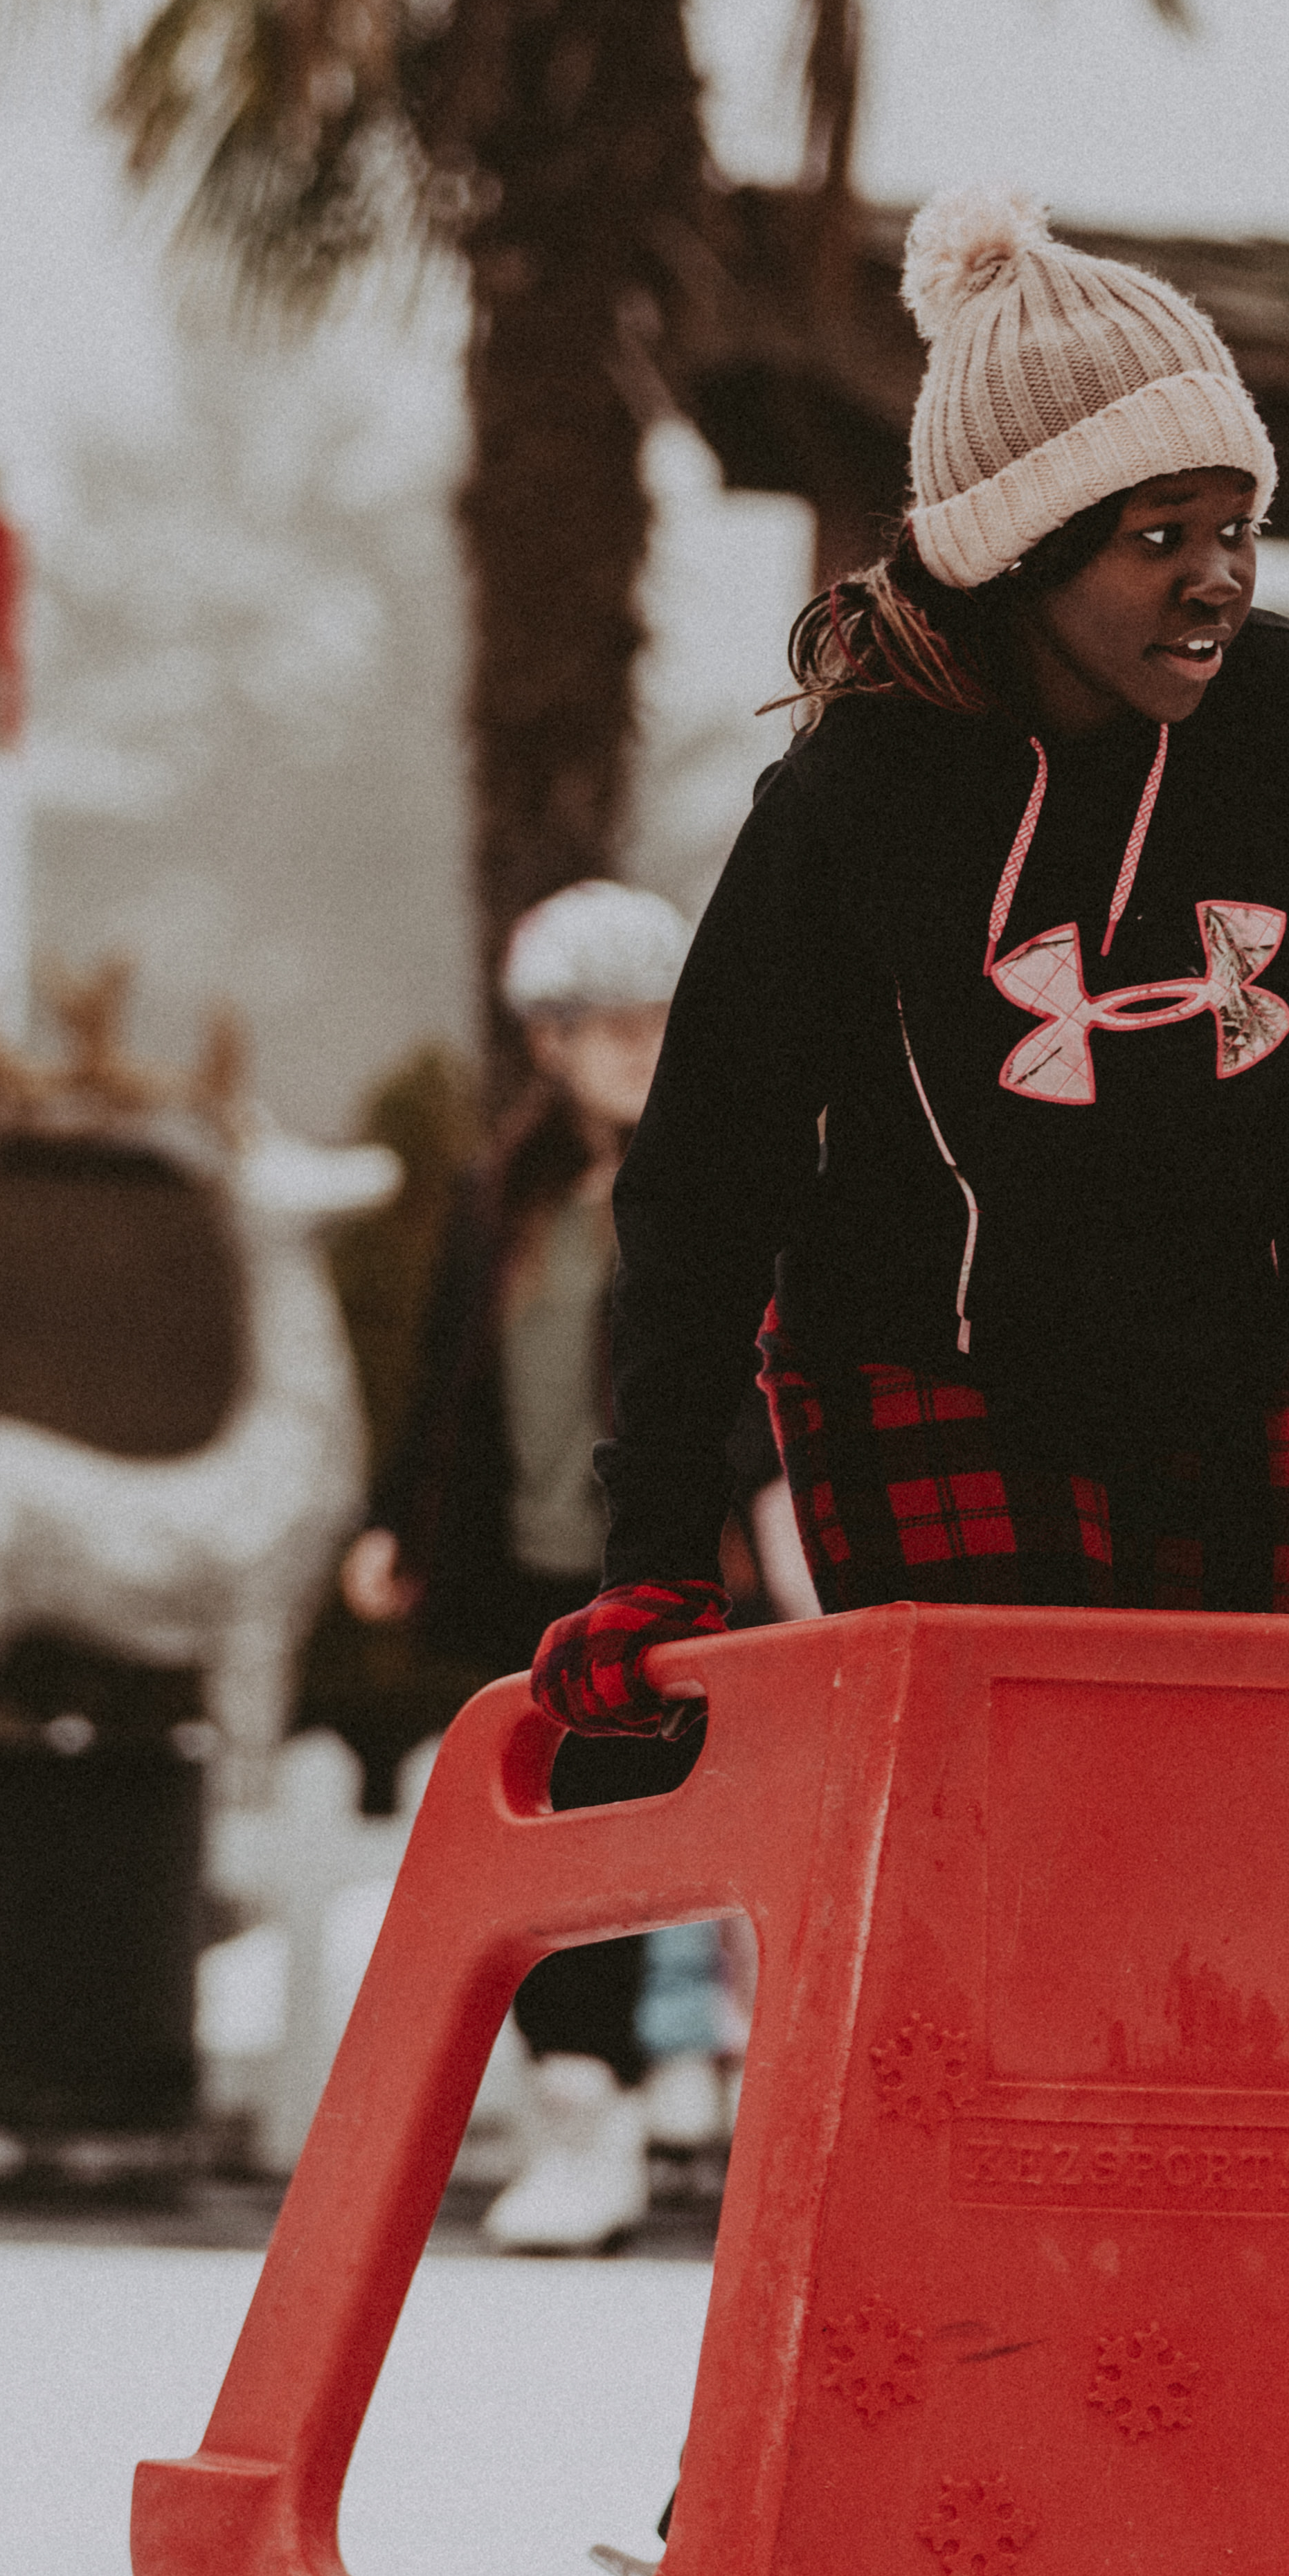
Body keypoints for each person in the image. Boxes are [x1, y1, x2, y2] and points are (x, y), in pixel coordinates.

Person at [541, 182, 1289, 1757]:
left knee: (1192, 1855)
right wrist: (657, 1549)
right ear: (1020, 553)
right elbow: (712, 1169)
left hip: (1210, 1388)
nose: (1218, 579)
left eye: (1237, 528)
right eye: (1158, 538)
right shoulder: (865, 790)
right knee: (1002, 1825)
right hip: (922, 1373)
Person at [338, 877, 810, 2255]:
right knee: (521, 1855)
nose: (633, 1053)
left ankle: (605, 2108)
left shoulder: (721, 1183)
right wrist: (395, 1528)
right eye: (604, 1030)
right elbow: (445, 1382)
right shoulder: (505, 1193)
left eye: (655, 1026)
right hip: (513, 1580)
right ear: (546, 1040)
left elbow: (751, 1394)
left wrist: (784, 1550)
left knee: (617, 1851)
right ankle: (571, 2102)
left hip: (651, 1582)